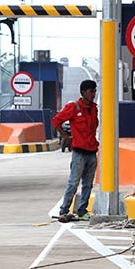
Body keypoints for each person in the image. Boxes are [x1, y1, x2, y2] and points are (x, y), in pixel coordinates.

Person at [52, 79, 99, 223]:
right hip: (79, 152)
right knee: (74, 182)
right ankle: (64, 210)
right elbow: (56, 121)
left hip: (92, 151)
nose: (93, 94)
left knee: (88, 184)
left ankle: (82, 210)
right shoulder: (74, 107)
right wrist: (66, 137)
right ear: (84, 92)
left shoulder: (94, 108)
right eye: (91, 91)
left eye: (94, 91)